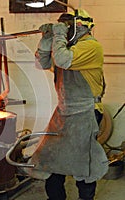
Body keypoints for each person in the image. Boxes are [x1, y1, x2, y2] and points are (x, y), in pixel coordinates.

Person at [30, 9, 109, 200]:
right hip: (64, 111)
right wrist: (47, 38)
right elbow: (41, 63)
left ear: (80, 26)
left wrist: (58, 35)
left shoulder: (91, 47)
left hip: (85, 113)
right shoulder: (64, 46)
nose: (65, 31)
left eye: (68, 27)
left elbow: (63, 60)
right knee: (51, 160)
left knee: (83, 164)